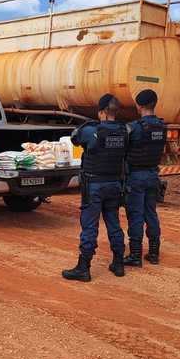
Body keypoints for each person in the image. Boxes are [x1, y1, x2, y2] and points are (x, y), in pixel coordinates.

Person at [62, 94, 128, 282]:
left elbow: (75, 138)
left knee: (90, 226)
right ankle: (118, 263)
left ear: (101, 112)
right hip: (115, 184)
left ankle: (84, 267)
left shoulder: (92, 130)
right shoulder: (124, 131)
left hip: (94, 185)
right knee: (113, 222)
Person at [123, 88, 167, 266]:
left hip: (136, 176)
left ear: (138, 105)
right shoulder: (162, 126)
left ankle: (135, 255)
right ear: (154, 104)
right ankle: (154, 253)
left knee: (136, 215)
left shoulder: (134, 128)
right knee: (151, 213)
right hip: (153, 175)